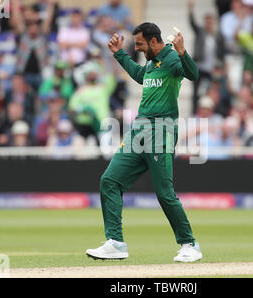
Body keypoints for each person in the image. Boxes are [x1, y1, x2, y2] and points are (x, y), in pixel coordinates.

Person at [86, 23, 202, 262]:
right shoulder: (150, 63)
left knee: (164, 193)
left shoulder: (170, 58)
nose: (136, 48)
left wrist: (183, 53)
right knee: (109, 180)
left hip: (161, 131)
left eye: (139, 44)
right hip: (138, 131)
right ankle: (116, 243)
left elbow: (193, 74)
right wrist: (119, 54)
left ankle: (190, 244)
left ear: (152, 41)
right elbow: (141, 76)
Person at [188, 0, 224, 114]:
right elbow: (192, 23)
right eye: (207, 22)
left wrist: (220, 66)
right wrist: (191, 9)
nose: (209, 24)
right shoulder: (200, 32)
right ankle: (194, 112)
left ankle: (211, 112)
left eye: (210, 22)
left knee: (212, 92)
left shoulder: (217, 36)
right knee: (196, 92)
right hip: (199, 67)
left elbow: (220, 53)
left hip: (210, 69)